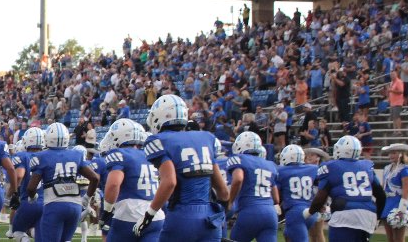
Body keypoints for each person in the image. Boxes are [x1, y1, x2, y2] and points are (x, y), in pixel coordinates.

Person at [141, 94, 229, 242]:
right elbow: (224, 193)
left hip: (181, 217)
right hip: (209, 219)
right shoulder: (207, 138)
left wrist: (149, 214)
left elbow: (170, 182)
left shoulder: (160, 140)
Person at [24, 123, 98, 242]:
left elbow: (31, 188)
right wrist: (87, 198)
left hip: (54, 205)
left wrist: (32, 197)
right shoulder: (76, 154)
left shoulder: (42, 156)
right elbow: (95, 178)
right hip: (75, 207)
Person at [306, 135, 385, 242]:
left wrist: (309, 212)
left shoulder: (331, 166)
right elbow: (381, 195)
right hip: (368, 215)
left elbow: (321, 197)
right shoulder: (366, 166)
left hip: (344, 214)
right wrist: (377, 217)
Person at [99, 119, 160, 242]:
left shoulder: (120, 153)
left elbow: (114, 184)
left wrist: (106, 211)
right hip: (155, 215)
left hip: (128, 215)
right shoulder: (150, 155)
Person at [224, 131, 279, 242]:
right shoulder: (270, 164)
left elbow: (238, 178)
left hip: (249, 211)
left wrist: (230, 202)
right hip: (270, 214)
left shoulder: (239, 159)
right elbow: (276, 198)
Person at [6, 128, 45, 242]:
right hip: (46, 203)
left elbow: (19, 175)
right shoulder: (47, 156)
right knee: (38, 232)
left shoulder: (22, 156)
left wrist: (12, 194)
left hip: (28, 202)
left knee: (17, 231)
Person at [276, 145, 319, 242]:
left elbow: (276, 191)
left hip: (295, 212)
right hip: (311, 211)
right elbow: (323, 185)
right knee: (287, 233)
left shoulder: (281, 171)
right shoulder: (313, 169)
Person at [379, 144, 408, 242]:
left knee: (398, 239)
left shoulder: (404, 169)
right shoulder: (387, 168)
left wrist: (402, 208)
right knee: (390, 239)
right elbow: (383, 187)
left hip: (398, 204)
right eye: (390, 153)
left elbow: (406, 190)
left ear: (401, 154)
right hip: (387, 204)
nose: (391, 155)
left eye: (394, 153)